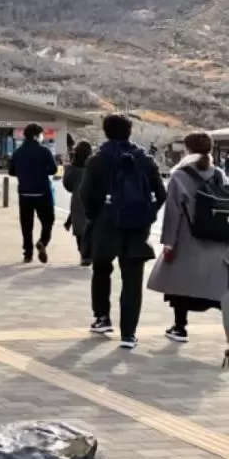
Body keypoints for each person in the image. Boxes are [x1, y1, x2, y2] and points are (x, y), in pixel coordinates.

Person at [80, 113, 167, 349]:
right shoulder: (145, 160)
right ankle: (129, 334)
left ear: (106, 132)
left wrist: (96, 216)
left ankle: (102, 318)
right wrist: (147, 214)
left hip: (105, 225)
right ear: (130, 132)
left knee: (101, 271)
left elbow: (85, 195)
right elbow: (161, 195)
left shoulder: (97, 160)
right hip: (137, 227)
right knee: (132, 280)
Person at [147, 132, 229, 344]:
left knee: (179, 285)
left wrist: (169, 242)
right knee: (219, 291)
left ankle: (180, 328)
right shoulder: (218, 173)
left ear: (188, 149)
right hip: (217, 239)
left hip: (187, 239)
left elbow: (173, 212)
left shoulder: (180, 175)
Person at [8, 123, 58, 263]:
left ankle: (27, 254)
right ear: (37, 136)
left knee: (26, 225)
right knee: (48, 221)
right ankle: (42, 242)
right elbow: (53, 170)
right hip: (42, 192)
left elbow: (11, 171)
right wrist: (41, 172)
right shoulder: (44, 151)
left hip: (24, 193)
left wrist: (24, 174)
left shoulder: (18, 152)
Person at [62, 140, 93, 266]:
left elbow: (67, 185)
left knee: (79, 229)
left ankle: (83, 254)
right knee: (90, 227)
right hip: (92, 199)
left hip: (77, 200)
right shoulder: (93, 165)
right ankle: (89, 254)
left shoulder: (73, 168)